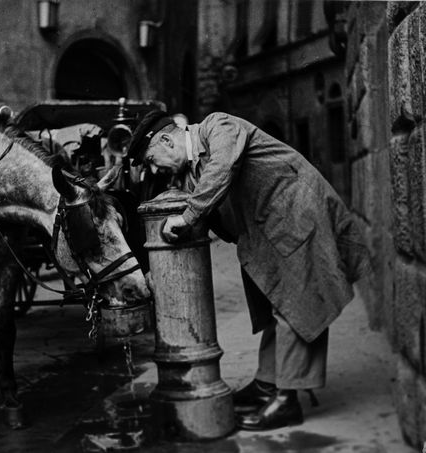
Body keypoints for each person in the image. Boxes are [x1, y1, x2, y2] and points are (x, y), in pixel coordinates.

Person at [127, 110, 371, 431]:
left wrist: (188, 217)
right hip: (270, 228)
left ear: (166, 140)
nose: (154, 168)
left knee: (297, 305)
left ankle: (288, 399)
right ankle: (267, 384)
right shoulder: (189, 173)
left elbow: (224, 165)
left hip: (299, 215)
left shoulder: (218, 126)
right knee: (274, 305)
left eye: (151, 160)